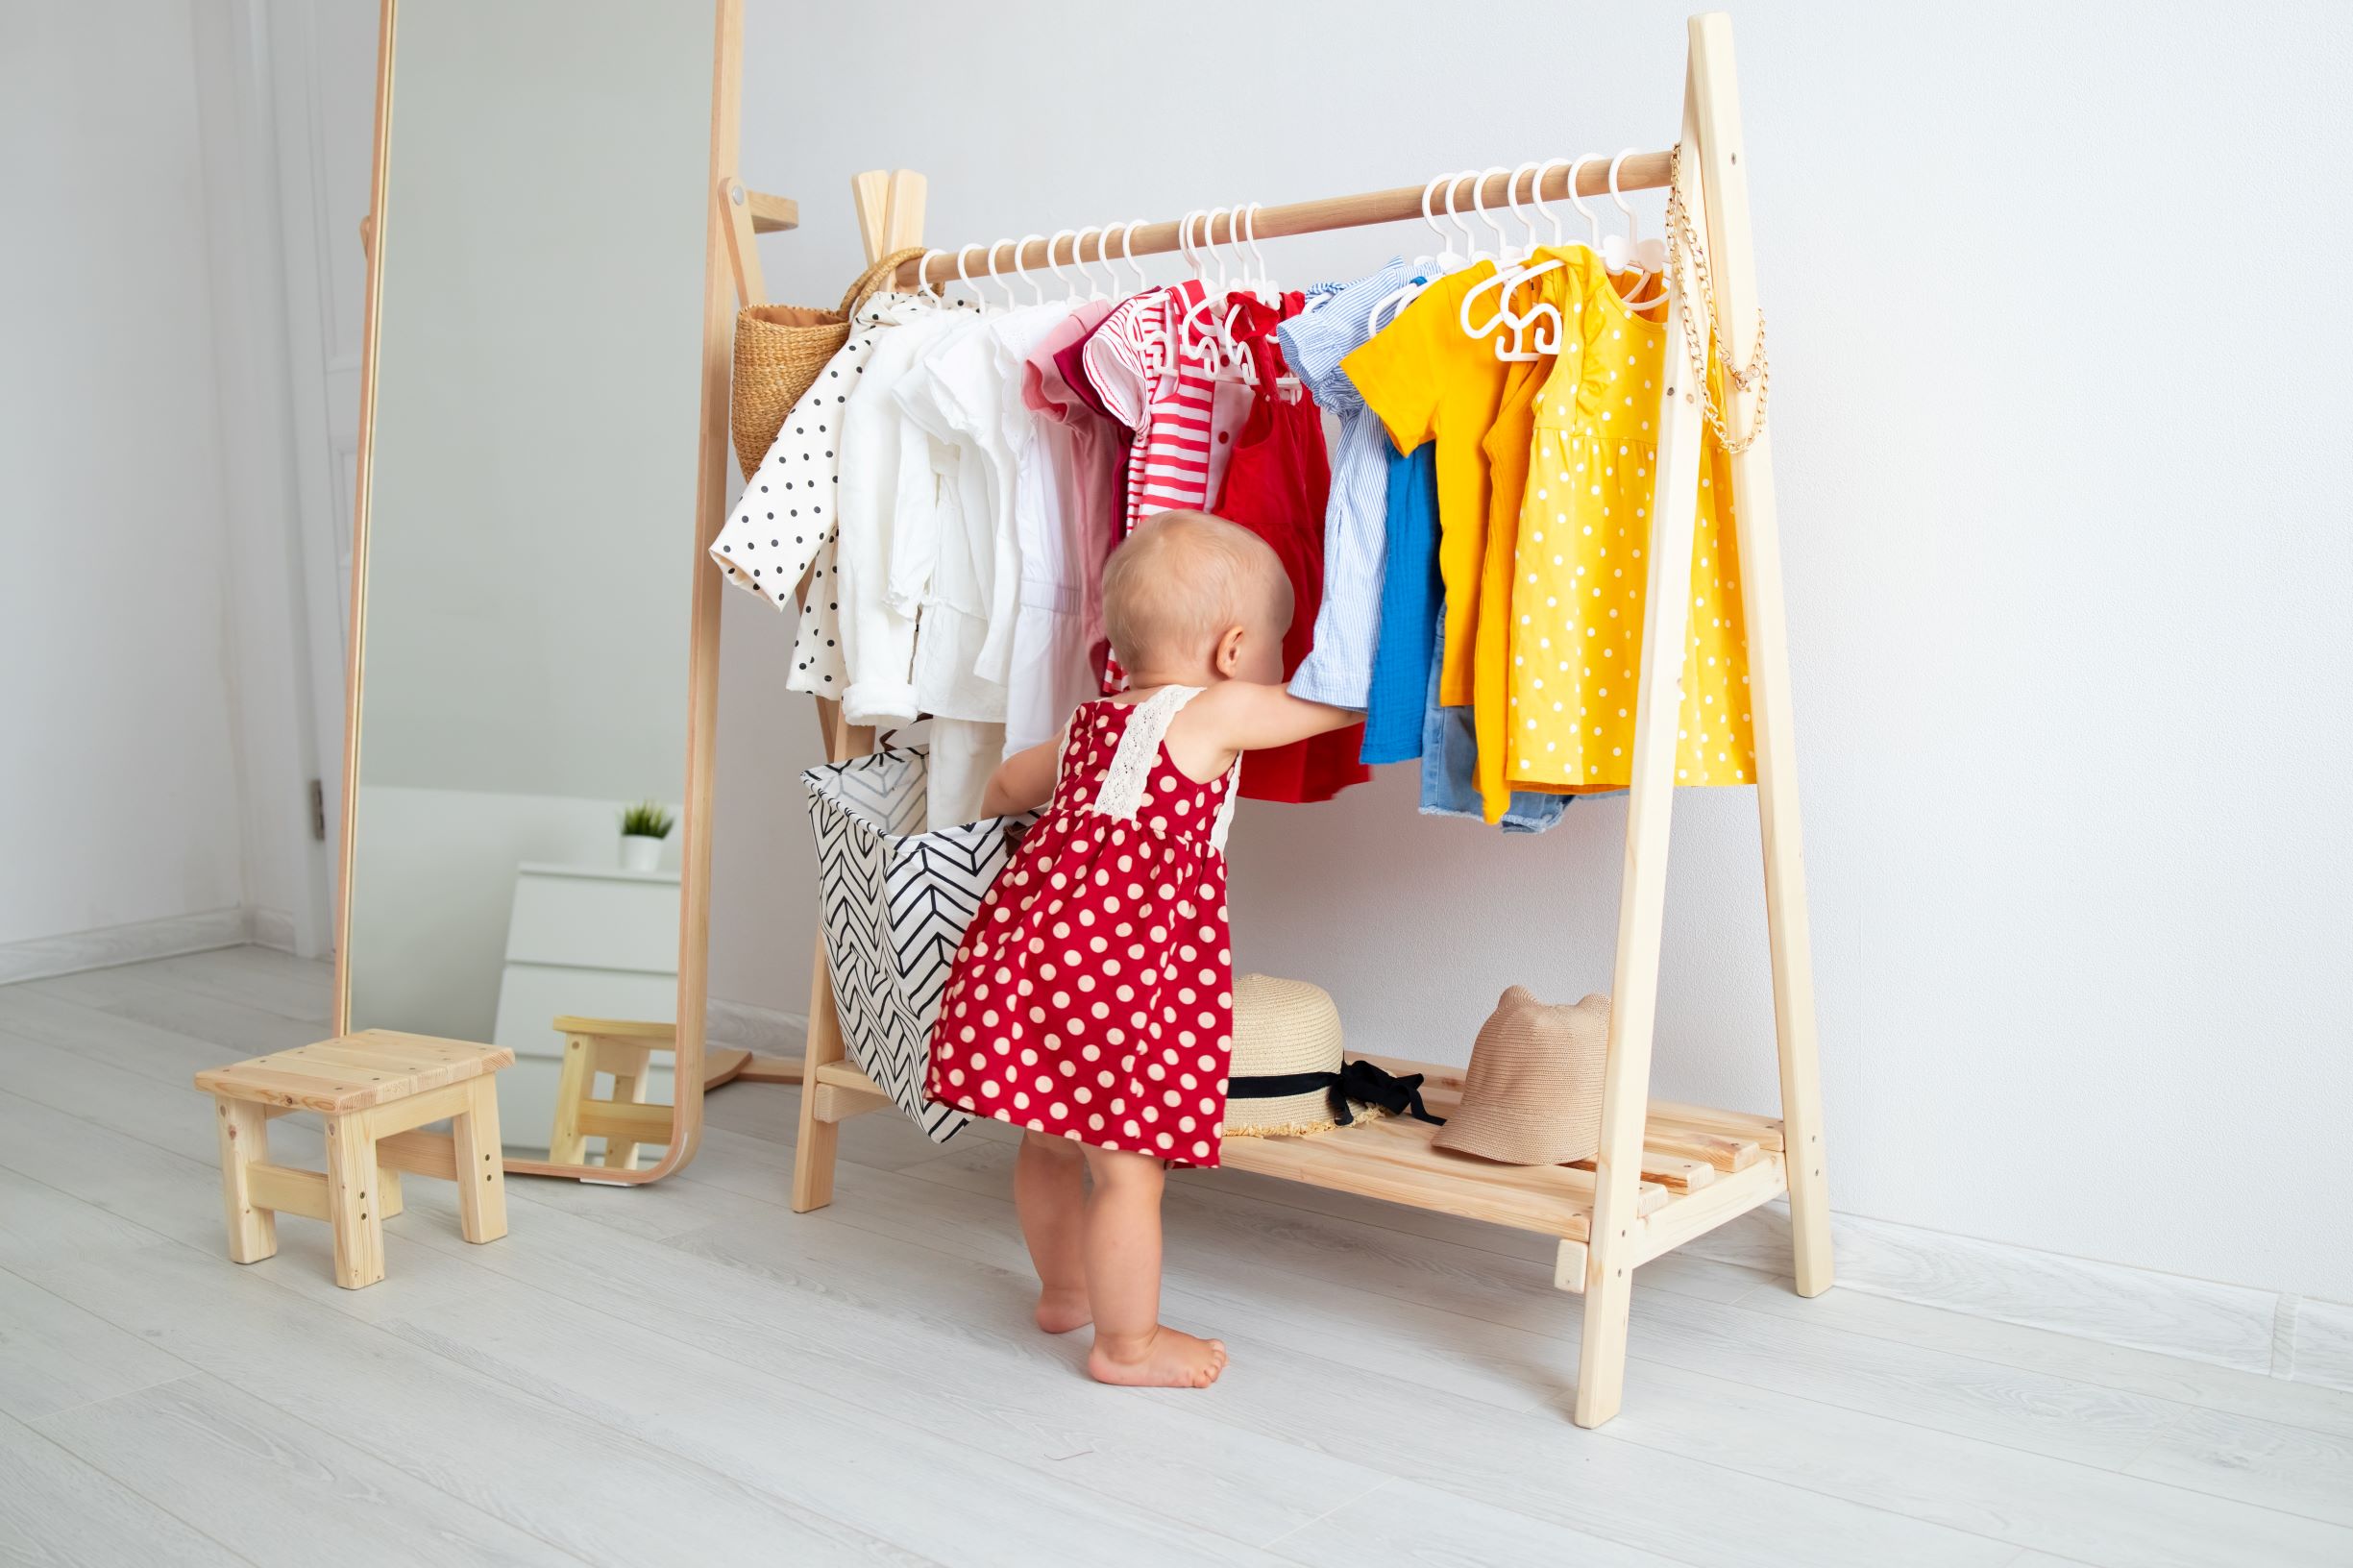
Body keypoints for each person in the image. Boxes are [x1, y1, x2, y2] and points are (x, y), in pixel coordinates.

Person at [923, 509, 1357, 1387]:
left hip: (1027, 953)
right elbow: (1334, 704)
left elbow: (1003, 786)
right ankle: (1127, 1345)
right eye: (1273, 644)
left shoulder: (1089, 723)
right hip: (1118, 978)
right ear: (1234, 649)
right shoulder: (1218, 708)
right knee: (1128, 1173)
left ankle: (1063, 1294)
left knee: (1048, 1140)